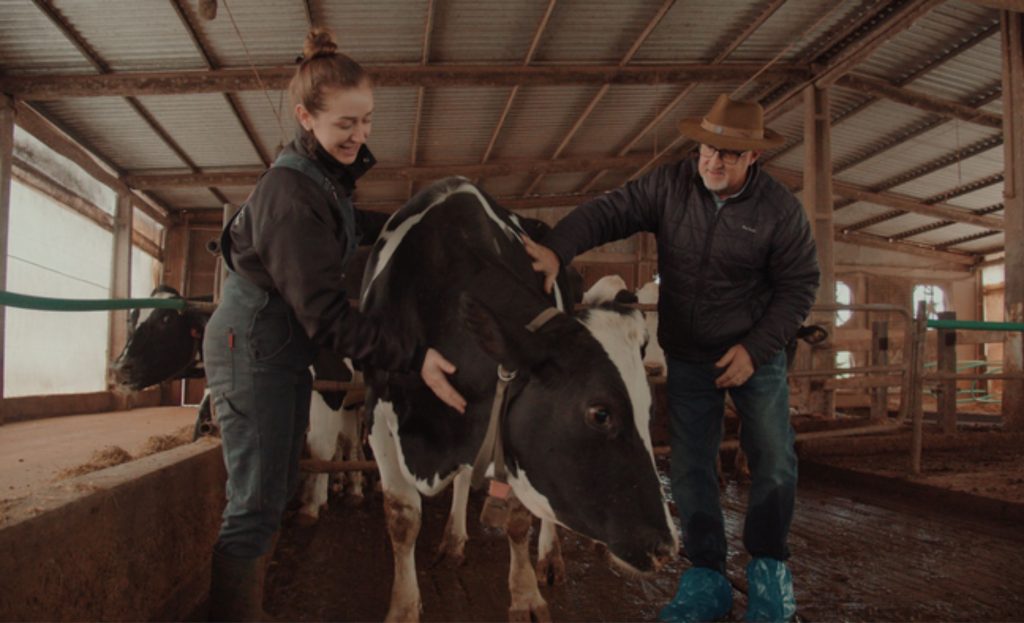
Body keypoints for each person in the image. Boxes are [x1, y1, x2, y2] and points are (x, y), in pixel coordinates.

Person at [202, 28, 466, 621]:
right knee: (254, 503)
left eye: (367, 120)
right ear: (305, 116)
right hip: (255, 348)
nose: (360, 135)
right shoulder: (291, 195)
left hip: (277, 350)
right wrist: (414, 354)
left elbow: (348, 225)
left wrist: (422, 223)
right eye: (346, 123)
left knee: (272, 491)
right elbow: (326, 316)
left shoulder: (318, 180)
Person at [524, 94, 819, 623]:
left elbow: (799, 288)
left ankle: (770, 571)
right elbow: (610, 211)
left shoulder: (779, 210)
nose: (713, 162)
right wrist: (559, 248)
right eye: (708, 149)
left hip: (756, 353)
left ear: (753, 158)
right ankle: (705, 574)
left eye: (728, 155)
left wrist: (755, 350)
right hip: (688, 353)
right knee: (689, 464)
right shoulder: (670, 185)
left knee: (773, 457)